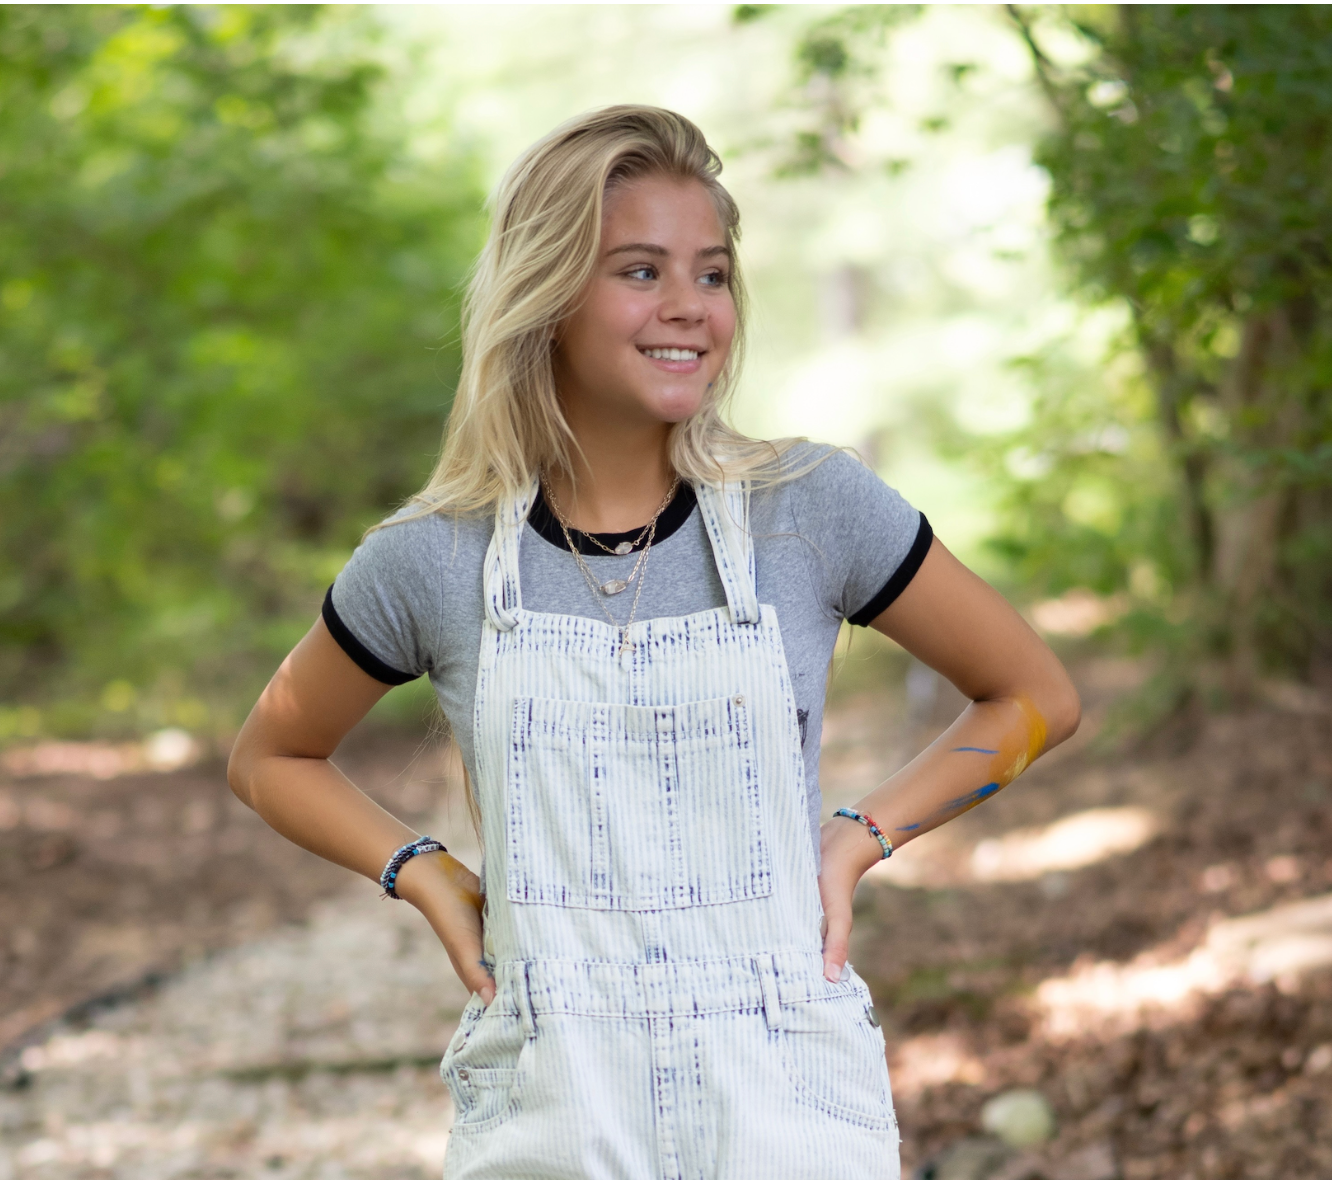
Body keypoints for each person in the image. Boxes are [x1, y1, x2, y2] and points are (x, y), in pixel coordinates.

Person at [227, 105, 1080, 1180]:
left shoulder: (810, 510)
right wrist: (423, 870)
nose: (689, 309)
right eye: (640, 271)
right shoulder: (433, 558)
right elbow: (269, 757)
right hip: (551, 1102)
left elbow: (1036, 696)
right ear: (545, 294)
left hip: (787, 1096)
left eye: (712, 275)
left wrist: (858, 837)